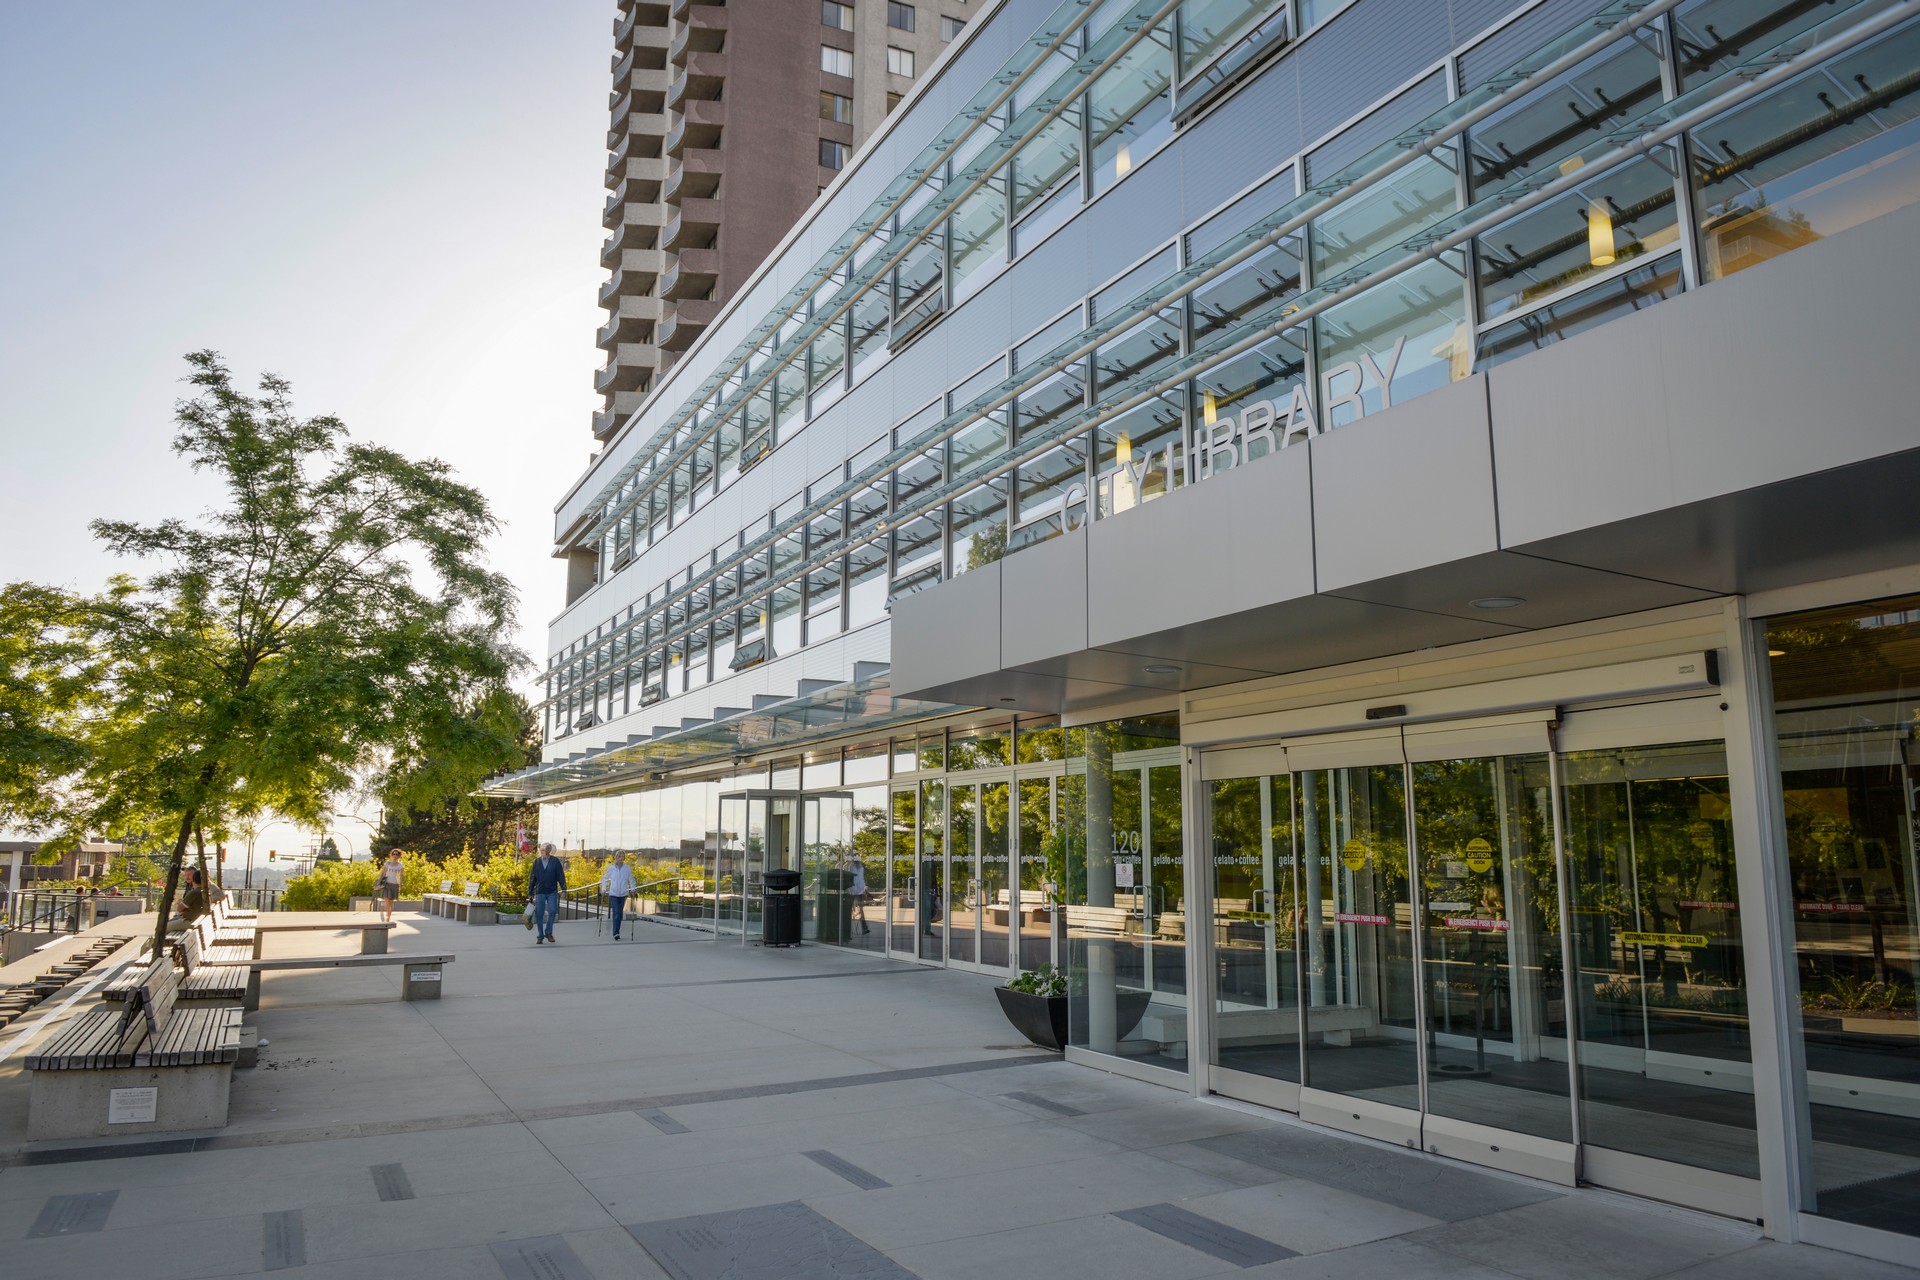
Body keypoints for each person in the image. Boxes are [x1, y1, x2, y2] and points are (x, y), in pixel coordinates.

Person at [527, 844, 567, 944]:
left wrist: (564, 889)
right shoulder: (536, 862)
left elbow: (560, 875)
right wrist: (530, 892)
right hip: (540, 891)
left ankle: (548, 932)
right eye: (541, 850)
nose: (542, 852)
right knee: (539, 914)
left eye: (544, 850)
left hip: (552, 891)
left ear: (549, 851)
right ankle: (540, 936)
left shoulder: (555, 861)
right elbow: (532, 878)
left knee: (553, 911)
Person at [597, 851, 637, 940]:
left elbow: (631, 879)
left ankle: (617, 930)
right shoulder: (611, 868)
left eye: (622, 856)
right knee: (616, 913)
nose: (620, 858)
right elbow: (605, 879)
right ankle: (616, 933)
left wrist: (633, 889)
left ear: (624, 858)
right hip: (614, 894)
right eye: (619, 856)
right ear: (615, 857)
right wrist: (604, 889)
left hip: (623, 893)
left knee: (619, 913)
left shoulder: (627, 868)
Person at [377, 850, 404, 921]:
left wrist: (400, 885)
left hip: (394, 884)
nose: (395, 856)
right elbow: (383, 873)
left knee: (391, 902)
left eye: (397, 854)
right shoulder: (387, 863)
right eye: (393, 854)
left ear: (399, 856)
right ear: (391, 855)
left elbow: (401, 876)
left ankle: (388, 916)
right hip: (386, 883)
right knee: (386, 900)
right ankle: (386, 913)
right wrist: (379, 882)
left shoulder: (400, 865)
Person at [849, 859, 871, 936]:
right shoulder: (850, 866)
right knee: (849, 909)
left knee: (861, 910)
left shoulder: (861, 867)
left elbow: (862, 878)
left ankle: (864, 928)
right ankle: (848, 928)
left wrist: (865, 887)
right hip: (852, 889)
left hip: (860, 890)